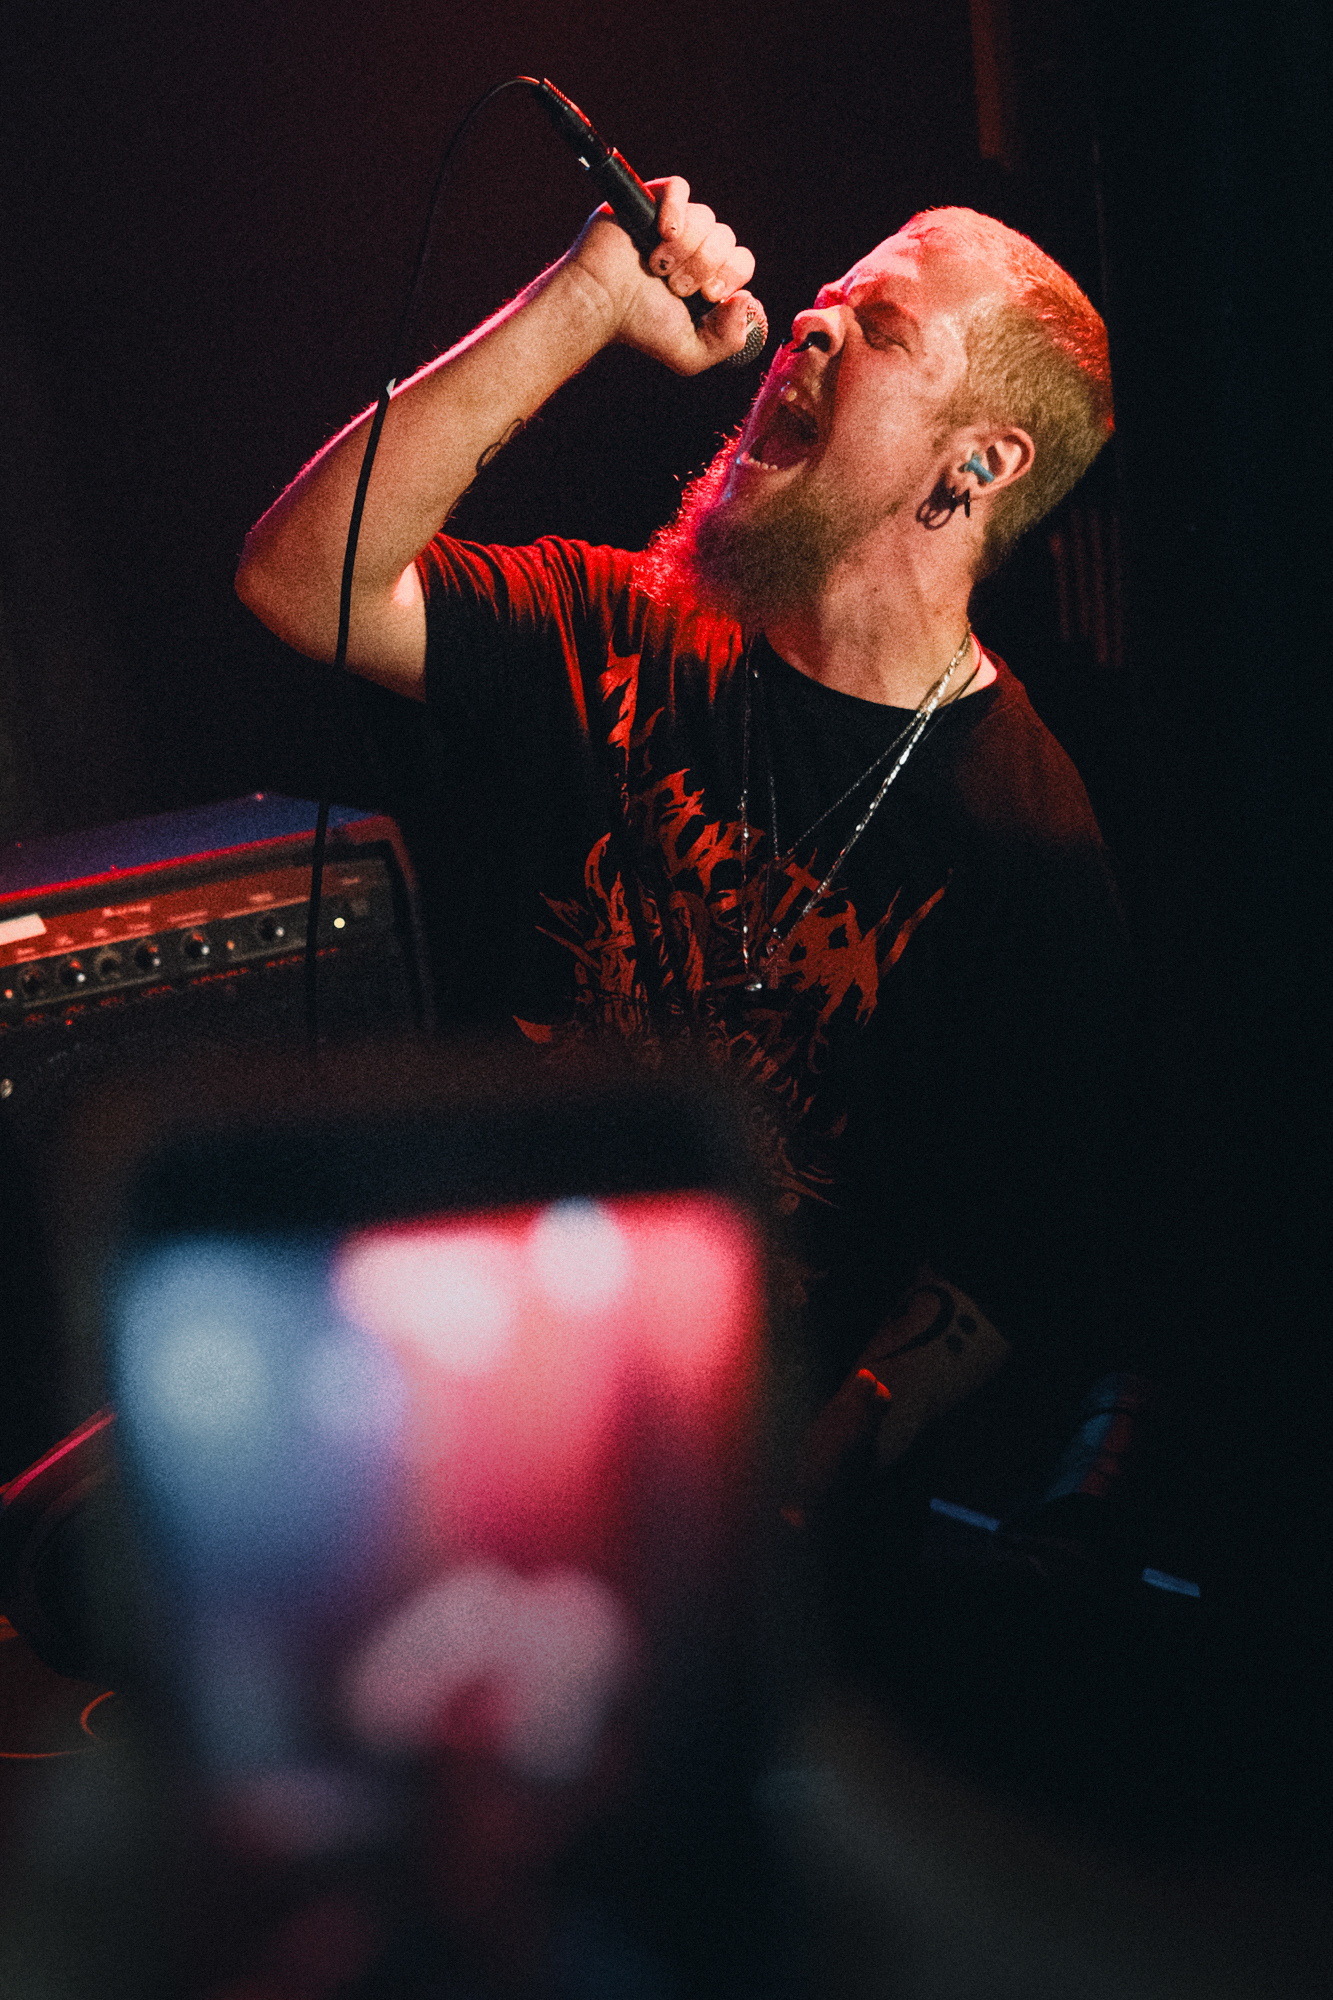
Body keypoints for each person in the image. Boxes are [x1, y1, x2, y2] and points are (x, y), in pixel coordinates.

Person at [236, 178, 1128, 1518]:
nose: (810, 328)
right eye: (823, 304)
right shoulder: (615, 630)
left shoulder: (1023, 834)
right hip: (467, 1431)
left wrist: (829, 1454)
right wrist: (582, 303)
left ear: (982, 463)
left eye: (880, 326)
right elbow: (300, 579)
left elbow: (1028, 1245)